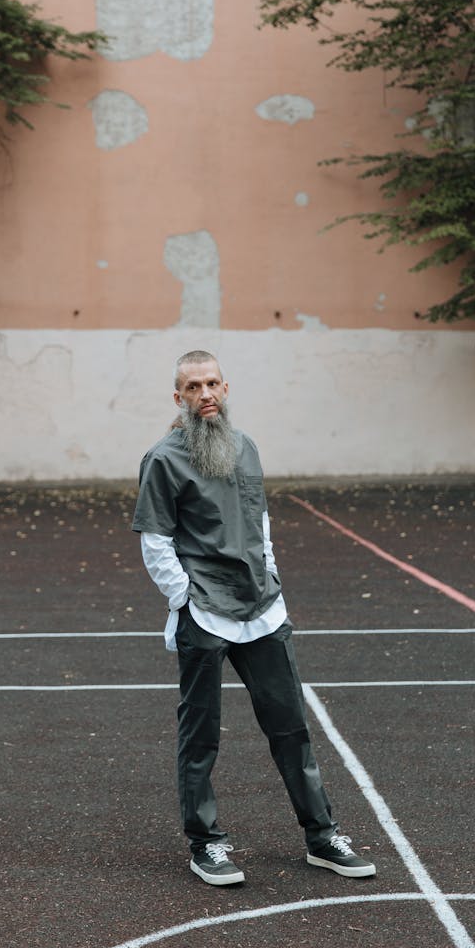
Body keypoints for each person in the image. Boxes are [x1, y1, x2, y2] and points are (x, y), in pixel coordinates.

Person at [131, 349, 376, 886]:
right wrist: (184, 601)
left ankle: (322, 836)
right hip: (206, 614)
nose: (206, 394)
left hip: (263, 610)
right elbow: (155, 540)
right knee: (201, 736)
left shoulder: (245, 448)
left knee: (291, 728)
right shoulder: (163, 459)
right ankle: (207, 844)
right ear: (179, 398)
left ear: (226, 386)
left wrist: (272, 576)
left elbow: (258, 521)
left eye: (213, 383)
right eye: (193, 387)